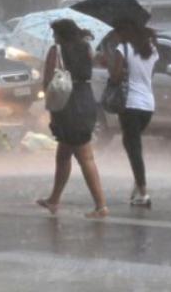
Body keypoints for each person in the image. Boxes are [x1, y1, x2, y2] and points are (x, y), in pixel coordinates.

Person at [37, 19, 108, 218]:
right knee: (63, 155)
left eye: (55, 33)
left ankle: (101, 205)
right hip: (86, 99)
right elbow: (97, 64)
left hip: (67, 104)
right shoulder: (87, 48)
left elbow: (48, 81)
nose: (53, 37)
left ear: (60, 35)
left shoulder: (56, 50)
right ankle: (54, 200)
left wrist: (50, 105)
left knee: (85, 157)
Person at [109, 18, 158, 207]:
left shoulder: (123, 48)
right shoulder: (151, 49)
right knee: (132, 145)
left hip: (130, 104)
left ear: (124, 32)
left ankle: (143, 191)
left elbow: (115, 77)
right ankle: (138, 185)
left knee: (134, 148)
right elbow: (148, 74)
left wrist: (112, 65)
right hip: (147, 105)